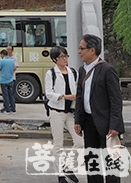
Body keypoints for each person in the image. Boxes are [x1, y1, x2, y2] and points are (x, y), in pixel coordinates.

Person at [74, 34, 124, 183]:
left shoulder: (107, 70)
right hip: (89, 123)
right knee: (92, 160)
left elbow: (116, 100)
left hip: (107, 124)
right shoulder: (82, 70)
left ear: (92, 50)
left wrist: (114, 125)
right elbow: (80, 97)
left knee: (111, 162)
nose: (79, 51)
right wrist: (78, 120)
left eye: (82, 48)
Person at [46, 46, 83, 183]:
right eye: (61, 57)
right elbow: (49, 93)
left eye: (66, 56)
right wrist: (65, 97)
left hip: (71, 112)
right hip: (56, 112)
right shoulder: (51, 73)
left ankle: (68, 166)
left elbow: (78, 88)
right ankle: (60, 175)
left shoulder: (73, 71)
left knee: (80, 142)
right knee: (58, 143)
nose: (65, 59)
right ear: (55, 59)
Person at [0, 49, 16, 114]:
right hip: (11, 79)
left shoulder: (2, 61)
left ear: (2, 54)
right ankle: (13, 109)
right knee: (11, 95)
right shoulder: (12, 61)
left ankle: (7, 110)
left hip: (3, 80)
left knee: (5, 95)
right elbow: (13, 68)